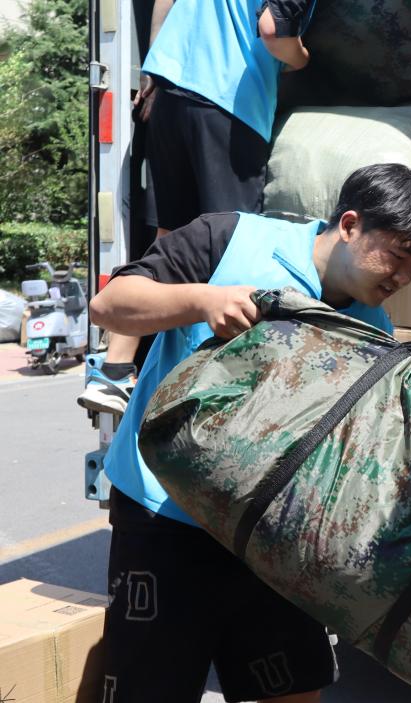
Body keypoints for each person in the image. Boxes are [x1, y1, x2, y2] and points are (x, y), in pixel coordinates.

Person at [88, 164, 411, 703]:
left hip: (274, 536)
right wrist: (202, 300)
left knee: (296, 685)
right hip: (166, 517)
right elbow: (111, 305)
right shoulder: (230, 239)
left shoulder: (372, 326)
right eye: (398, 256)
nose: (404, 277)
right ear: (350, 225)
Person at [79, 0, 315, 416]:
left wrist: (154, 67)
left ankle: (114, 370)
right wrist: (304, 60)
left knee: (170, 237)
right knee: (233, 245)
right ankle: (209, 386)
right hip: (228, 102)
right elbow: (273, 31)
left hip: (170, 88)